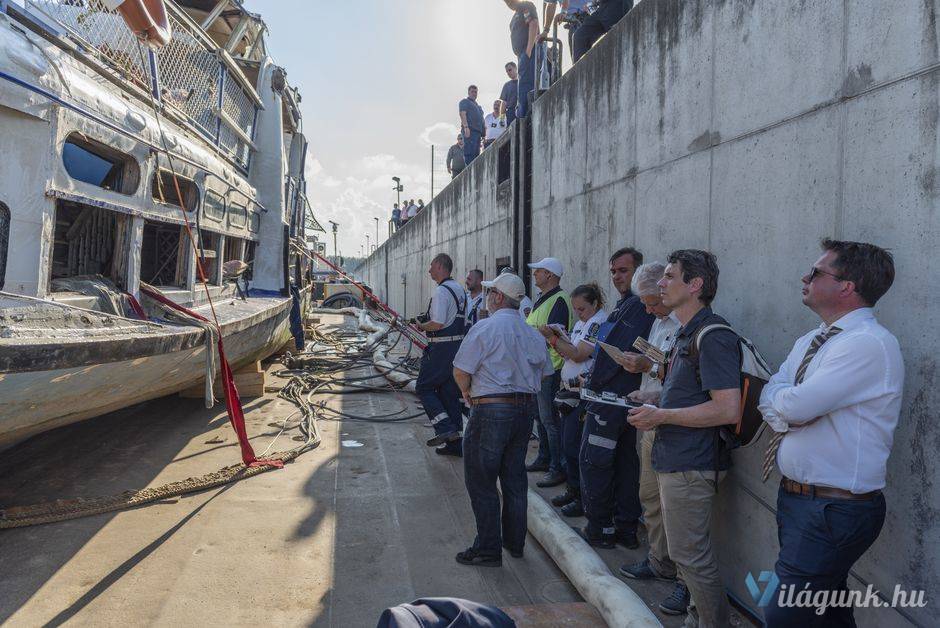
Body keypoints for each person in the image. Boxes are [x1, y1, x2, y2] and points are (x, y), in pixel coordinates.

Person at [758, 239, 902, 627]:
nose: (805, 277)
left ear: (847, 286)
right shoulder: (812, 340)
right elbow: (770, 393)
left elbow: (794, 405)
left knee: (783, 612)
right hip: (799, 501)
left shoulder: (867, 344)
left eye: (817, 272)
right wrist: (788, 406)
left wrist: (788, 406)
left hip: (836, 509)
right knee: (827, 610)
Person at [627, 249, 741, 628]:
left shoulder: (714, 335)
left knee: (691, 558)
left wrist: (662, 415)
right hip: (676, 457)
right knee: (687, 556)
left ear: (695, 286)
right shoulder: (685, 333)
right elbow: (692, 393)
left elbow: (727, 409)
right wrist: (654, 398)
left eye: (670, 276)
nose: (661, 283)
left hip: (692, 464)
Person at [452, 272, 553, 566]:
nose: (486, 297)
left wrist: (467, 392)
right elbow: (546, 372)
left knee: (481, 480)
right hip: (524, 411)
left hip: (491, 409)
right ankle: (514, 542)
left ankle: (487, 548)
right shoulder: (532, 333)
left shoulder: (485, 328)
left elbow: (461, 369)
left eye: (490, 292)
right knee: (514, 477)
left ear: (498, 297)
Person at [615, 262, 689, 617]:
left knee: (681, 510)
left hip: (677, 426)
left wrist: (648, 368)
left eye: (652, 302)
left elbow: (678, 376)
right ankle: (660, 560)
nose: (648, 310)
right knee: (649, 494)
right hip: (651, 418)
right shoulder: (660, 323)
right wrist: (640, 365)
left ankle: (686, 582)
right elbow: (659, 366)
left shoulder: (690, 328)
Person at [576, 247, 653, 550]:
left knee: (595, 464)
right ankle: (624, 529)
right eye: (614, 271)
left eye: (624, 270)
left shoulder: (636, 307)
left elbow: (617, 355)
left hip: (612, 403)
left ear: (638, 271)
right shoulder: (625, 307)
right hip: (622, 403)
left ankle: (600, 530)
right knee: (624, 468)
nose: (618, 276)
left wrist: (593, 384)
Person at [538, 283, 607, 518]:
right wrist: (558, 343)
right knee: (569, 446)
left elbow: (578, 354)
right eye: (576, 309)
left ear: (595, 304)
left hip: (583, 395)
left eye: (583, 309)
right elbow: (568, 352)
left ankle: (581, 497)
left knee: (576, 446)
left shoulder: (598, 323)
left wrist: (554, 340)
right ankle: (573, 488)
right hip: (568, 391)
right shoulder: (580, 324)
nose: (579, 313)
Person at [524, 257, 573, 488]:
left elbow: (555, 336)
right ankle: (544, 458)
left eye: (539, 272)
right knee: (540, 418)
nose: (535, 275)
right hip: (538, 368)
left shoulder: (560, 300)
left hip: (550, 369)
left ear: (550, 276)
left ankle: (557, 467)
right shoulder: (543, 299)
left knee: (550, 420)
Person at [413, 253, 469, 457]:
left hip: (440, 349)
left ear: (439, 266)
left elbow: (437, 323)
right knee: (448, 393)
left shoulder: (441, 292)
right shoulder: (459, 290)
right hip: (456, 349)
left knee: (424, 387)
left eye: (431, 266)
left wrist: (421, 325)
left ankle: (444, 427)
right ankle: (456, 445)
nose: (429, 270)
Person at [503, 0, 539, 119]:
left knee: (526, 86)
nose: (509, 3)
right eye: (506, 2)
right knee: (522, 87)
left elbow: (533, 24)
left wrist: (528, 50)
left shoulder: (525, 6)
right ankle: (524, 116)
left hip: (529, 52)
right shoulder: (513, 18)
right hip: (521, 55)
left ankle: (526, 117)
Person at [459, 85, 485, 165]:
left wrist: (483, 134)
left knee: (476, 156)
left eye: (476, 92)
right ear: (468, 92)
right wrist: (466, 127)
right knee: (469, 154)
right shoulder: (465, 102)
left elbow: (482, 121)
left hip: (478, 133)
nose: (474, 93)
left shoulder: (478, 106)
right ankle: (469, 174)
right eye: (472, 92)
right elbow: (462, 114)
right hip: (470, 131)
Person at [499, 62, 519, 127]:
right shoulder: (507, 85)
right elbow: (504, 103)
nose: (508, 73)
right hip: (511, 113)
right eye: (507, 71)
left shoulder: (523, 82)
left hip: (523, 110)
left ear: (516, 68)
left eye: (510, 70)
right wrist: (501, 118)